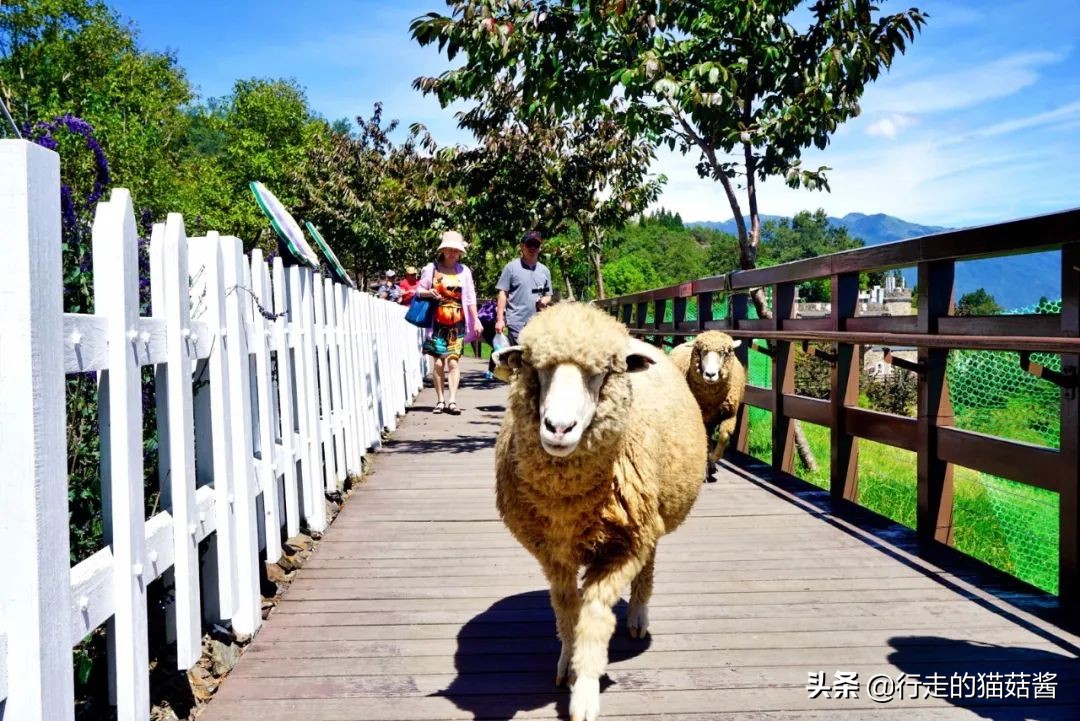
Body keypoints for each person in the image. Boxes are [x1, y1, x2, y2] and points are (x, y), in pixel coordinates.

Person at [415, 230, 480, 415]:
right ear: (442, 251)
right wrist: (429, 293)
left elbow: (469, 298)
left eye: (455, 250)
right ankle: (440, 400)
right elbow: (419, 290)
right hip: (436, 322)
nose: (452, 253)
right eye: (448, 249)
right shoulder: (432, 269)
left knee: (453, 362)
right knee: (437, 363)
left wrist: (476, 321)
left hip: (457, 322)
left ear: (460, 253)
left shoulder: (464, 271)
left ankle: (452, 400)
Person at [494, 229, 553, 344]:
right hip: (516, 323)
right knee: (516, 359)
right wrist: (500, 320)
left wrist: (544, 301)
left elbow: (548, 295)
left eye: (536, 245)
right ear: (522, 246)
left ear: (540, 247)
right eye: (529, 244)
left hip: (538, 324)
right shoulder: (511, 268)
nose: (532, 248)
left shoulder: (544, 271)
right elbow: (502, 294)